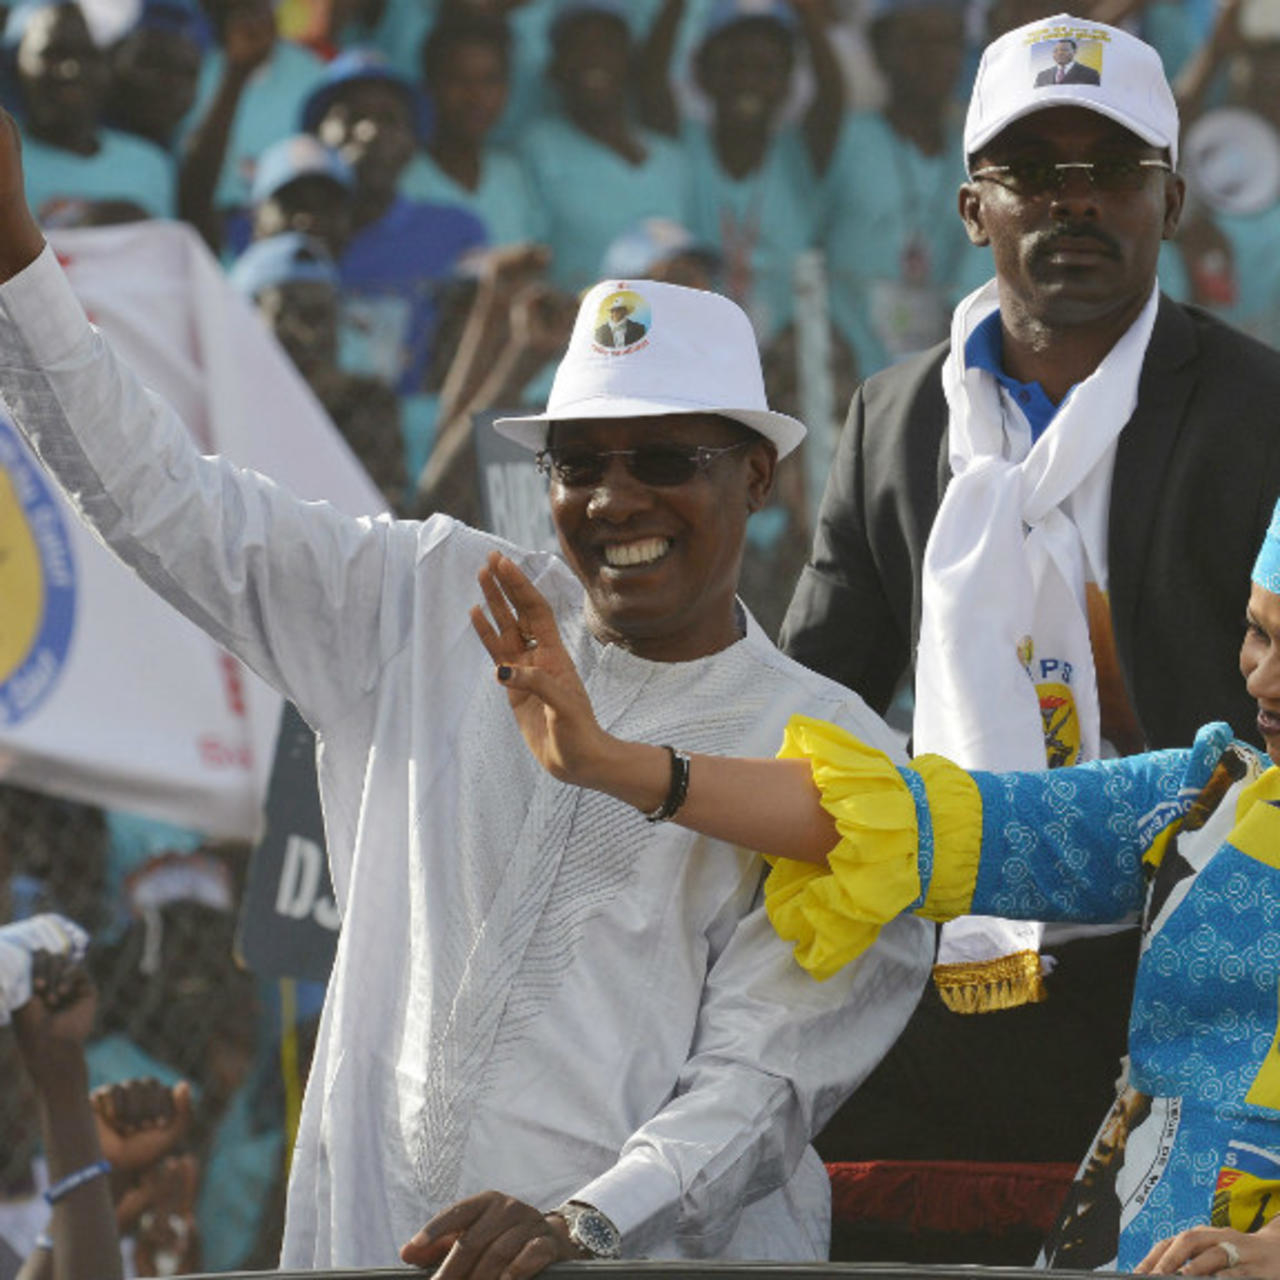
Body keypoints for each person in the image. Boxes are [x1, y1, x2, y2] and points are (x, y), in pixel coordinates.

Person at [0, 123, 934, 1274]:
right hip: (364, 1246)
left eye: (662, 460)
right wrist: (17, 263)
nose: (613, 499)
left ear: (755, 474)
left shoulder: (835, 757)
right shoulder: (430, 600)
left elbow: (765, 1078)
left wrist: (584, 1220)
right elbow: (166, 504)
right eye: (578, 463)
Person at [467, 485, 1280, 1276]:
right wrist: (609, 763)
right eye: (1257, 634)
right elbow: (896, 820)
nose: (1261, 680)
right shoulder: (1208, 803)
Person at [778, 10, 1280, 1171]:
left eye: (1110, 168)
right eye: (1030, 172)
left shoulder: (1257, 411)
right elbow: (816, 694)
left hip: (1198, 962)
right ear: (972, 207)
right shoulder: (893, 419)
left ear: (1169, 201)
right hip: (945, 958)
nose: (1072, 202)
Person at [1034, 36, 1100, 85]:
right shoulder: (1042, 76)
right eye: (1055, 51)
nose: (1059, 53)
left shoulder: (1090, 74)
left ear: (1074, 52)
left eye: (1064, 50)